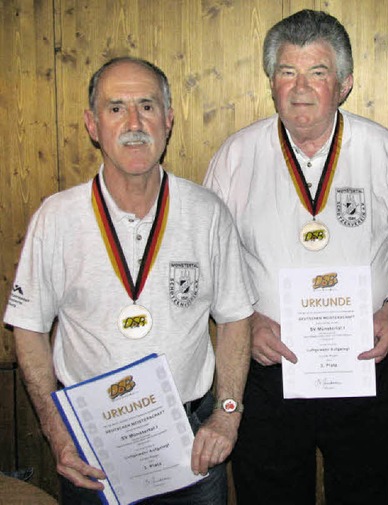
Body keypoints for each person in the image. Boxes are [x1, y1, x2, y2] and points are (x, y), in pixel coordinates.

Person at [3, 56, 256, 505]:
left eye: (148, 106)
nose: (134, 122)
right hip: (92, 451)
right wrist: (56, 431)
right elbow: (28, 328)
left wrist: (227, 415)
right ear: (92, 125)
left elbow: (236, 318)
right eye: (116, 108)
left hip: (193, 445)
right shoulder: (57, 218)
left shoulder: (207, 212)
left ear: (169, 120)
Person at [203, 9, 388, 505]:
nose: (300, 88)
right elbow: (210, 271)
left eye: (318, 73)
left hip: (363, 367)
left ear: (345, 84)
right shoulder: (236, 157)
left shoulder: (382, 151)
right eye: (287, 72)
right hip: (267, 375)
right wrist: (250, 320)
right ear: (270, 82)